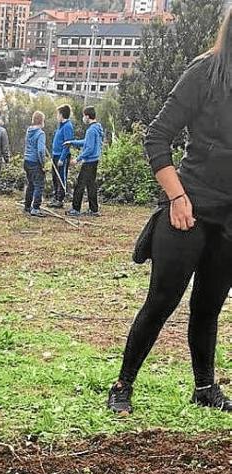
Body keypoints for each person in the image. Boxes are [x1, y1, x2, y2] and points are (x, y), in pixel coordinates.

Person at [107, 9, 232, 415]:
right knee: (161, 302)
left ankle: (203, 388)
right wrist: (177, 198)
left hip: (229, 221)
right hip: (188, 210)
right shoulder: (206, 72)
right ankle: (122, 385)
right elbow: (157, 136)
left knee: (209, 307)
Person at [64, 106, 104, 216]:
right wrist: (72, 142)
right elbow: (87, 142)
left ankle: (75, 209)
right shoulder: (97, 127)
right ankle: (94, 209)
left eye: (83, 116)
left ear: (87, 116)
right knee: (91, 185)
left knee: (79, 185)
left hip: (89, 162)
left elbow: (89, 148)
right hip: (94, 160)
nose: (83, 118)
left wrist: (77, 159)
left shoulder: (91, 130)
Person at [48, 104, 74, 209]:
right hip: (55, 154)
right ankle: (55, 197)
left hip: (61, 157)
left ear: (62, 115)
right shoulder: (60, 125)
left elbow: (67, 144)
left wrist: (62, 159)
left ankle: (60, 199)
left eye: (58, 114)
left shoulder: (68, 126)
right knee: (54, 177)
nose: (56, 116)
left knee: (61, 177)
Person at [23, 111, 47, 217]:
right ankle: (36, 208)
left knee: (31, 184)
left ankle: (27, 206)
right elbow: (41, 151)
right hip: (35, 162)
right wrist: (43, 164)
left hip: (27, 161)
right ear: (42, 121)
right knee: (39, 185)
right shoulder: (41, 133)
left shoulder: (29, 131)